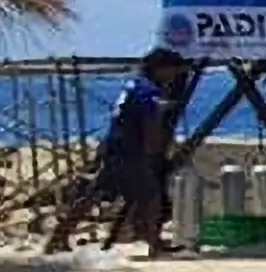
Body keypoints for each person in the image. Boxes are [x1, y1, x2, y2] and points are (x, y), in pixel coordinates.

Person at [49, 48, 186, 258]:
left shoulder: (134, 86)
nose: (174, 75)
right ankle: (154, 242)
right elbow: (149, 124)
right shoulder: (149, 92)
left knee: (96, 193)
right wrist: (152, 150)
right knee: (151, 196)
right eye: (172, 70)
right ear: (161, 69)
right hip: (130, 150)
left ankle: (59, 236)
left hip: (116, 145)